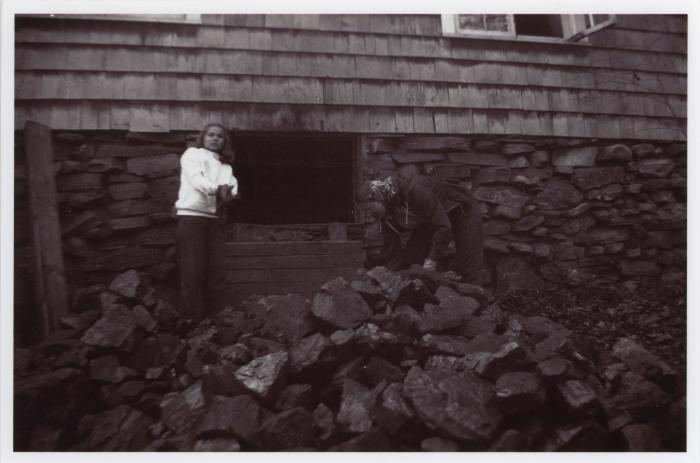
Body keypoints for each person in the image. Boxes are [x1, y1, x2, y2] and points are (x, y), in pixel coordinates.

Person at [359, 166, 484, 284]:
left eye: (369, 209)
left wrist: (431, 262)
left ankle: (477, 300)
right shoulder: (386, 214)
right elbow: (392, 252)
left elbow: (444, 227)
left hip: (459, 209)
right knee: (411, 263)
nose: (368, 216)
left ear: (377, 197)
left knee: (470, 267)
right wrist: (391, 281)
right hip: (430, 221)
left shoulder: (412, 190)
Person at [174, 123, 238, 321]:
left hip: (215, 221)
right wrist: (219, 190)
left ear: (224, 142)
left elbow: (233, 186)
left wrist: (232, 194)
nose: (215, 138)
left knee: (216, 271)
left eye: (219, 136)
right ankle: (191, 321)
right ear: (203, 138)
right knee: (192, 271)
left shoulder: (226, 167)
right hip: (192, 218)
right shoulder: (192, 155)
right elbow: (197, 180)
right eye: (211, 135)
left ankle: (216, 321)